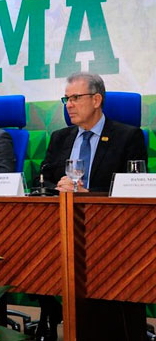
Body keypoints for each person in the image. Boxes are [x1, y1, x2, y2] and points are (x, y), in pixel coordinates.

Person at [37, 72, 147, 341]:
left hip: (111, 235)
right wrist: (58, 187)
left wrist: (89, 194)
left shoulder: (127, 136)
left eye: (76, 98)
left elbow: (133, 187)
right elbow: (42, 181)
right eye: (66, 99)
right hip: (61, 230)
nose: (69, 105)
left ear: (97, 99)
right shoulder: (60, 137)